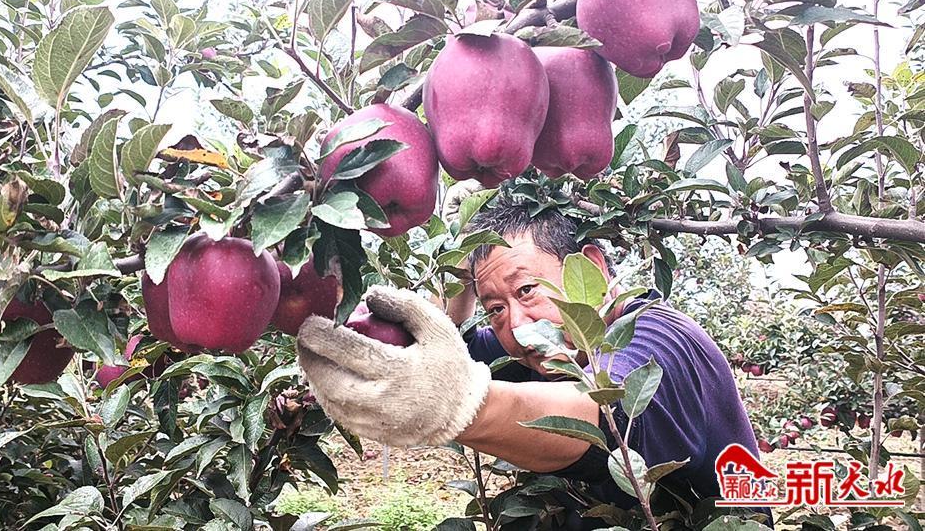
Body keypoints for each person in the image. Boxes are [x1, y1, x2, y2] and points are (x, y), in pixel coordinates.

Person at [296, 195, 771, 529]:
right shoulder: (538, 348)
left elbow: (603, 411)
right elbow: (438, 351)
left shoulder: (662, 340)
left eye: (527, 290)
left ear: (592, 270)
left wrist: (454, 406)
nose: (518, 327)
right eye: (495, 308)